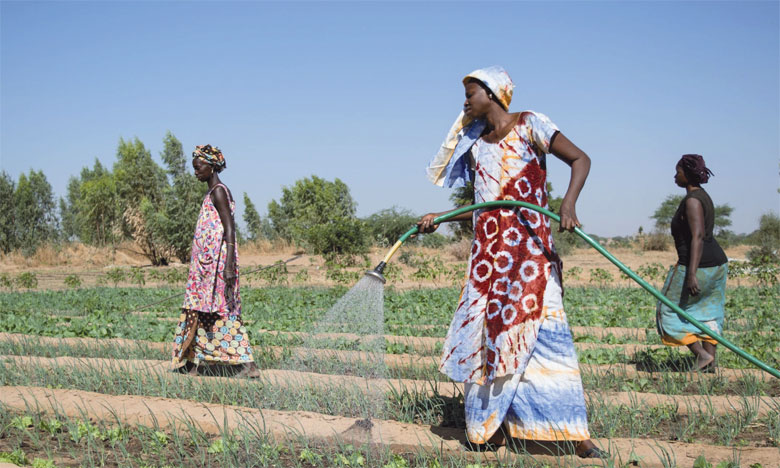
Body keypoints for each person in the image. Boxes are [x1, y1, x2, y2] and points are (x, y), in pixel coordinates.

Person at [418, 66, 603, 458]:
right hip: (488, 261)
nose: (465, 101)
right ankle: (489, 428)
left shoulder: (530, 124)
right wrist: (440, 217)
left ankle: (574, 433)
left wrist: (568, 204)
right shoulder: (478, 145)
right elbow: (483, 208)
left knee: (548, 337)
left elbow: (581, 159)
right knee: (489, 340)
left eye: (471, 93)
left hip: (531, 257)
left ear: (494, 93)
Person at [170, 144, 261, 378]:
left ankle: (248, 366)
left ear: (211, 166)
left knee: (222, 312)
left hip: (218, 268)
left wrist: (229, 264)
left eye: (198, 167)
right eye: (194, 168)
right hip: (205, 271)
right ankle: (192, 364)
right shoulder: (210, 194)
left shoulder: (219, 191)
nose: (195, 171)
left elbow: (230, 229)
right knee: (200, 312)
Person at [656, 154, 727, 372]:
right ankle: (710, 365)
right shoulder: (703, 196)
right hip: (717, 264)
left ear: (687, 175)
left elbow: (697, 236)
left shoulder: (693, 201)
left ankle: (702, 355)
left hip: (696, 265)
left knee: (665, 311)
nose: (675, 176)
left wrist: (692, 274)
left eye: (678, 172)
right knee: (709, 313)